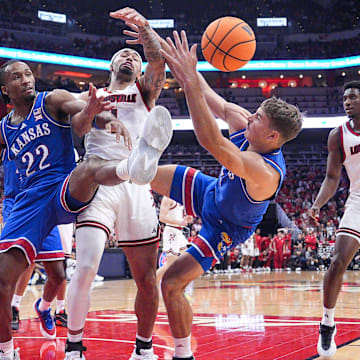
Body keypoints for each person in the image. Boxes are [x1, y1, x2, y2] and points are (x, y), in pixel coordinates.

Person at [122, 30, 302, 359]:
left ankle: (183, 353)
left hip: (225, 227)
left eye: (258, 117)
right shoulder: (243, 122)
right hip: (209, 190)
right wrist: (151, 34)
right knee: (139, 173)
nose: (250, 115)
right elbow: (204, 93)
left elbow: (211, 142)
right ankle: (134, 169)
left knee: (171, 284)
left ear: (272, 135)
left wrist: (190, 81)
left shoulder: (265, 172)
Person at [0, 58, 171, 360]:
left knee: (89, 167)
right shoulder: (5, 128)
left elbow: (81, 111)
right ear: (5, 89)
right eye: (17, 76)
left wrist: (106, 120)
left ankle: (133, 165)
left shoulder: (51, 98)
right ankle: (11, 349)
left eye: (28, 74)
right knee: (22, 276)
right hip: (30, 203)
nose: (26, 79)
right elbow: (83, 116)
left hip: (67, 187)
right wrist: (95, 110)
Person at [64, 7, 168, 360]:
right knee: (87, 265)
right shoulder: (90, 94)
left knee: (146, 278)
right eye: (123, 53)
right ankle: (74, 346)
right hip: (98, 181)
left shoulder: (145, 91)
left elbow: (158, 64)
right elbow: (78, 127)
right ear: (111, 66)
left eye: (135, 57)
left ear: (139, 70)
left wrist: (144, 28)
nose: (130, 56)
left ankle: (143, 348)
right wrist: (95, 112)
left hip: (137, 188)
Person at [309, 80, 360, 358]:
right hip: (358, 201)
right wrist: (318, 204)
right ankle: (327, 322)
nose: (347, 102)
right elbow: (331, 177)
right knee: (338, 260)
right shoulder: (337, 135)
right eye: (344, 98)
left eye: (352, 97)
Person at [1, 148, 73, 335]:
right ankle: (13, 311)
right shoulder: (7, 132)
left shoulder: (49, 132)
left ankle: (44, 307)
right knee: (12, 271)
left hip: (44, 205)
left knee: (58, 275)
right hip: (16, 206)